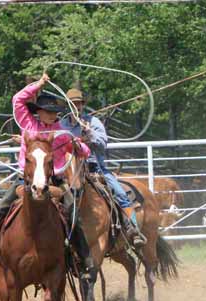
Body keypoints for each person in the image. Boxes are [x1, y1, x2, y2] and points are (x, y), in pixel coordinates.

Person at [0, 74, 96, 278]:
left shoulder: (61, 131)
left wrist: (78, 143)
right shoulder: (28, 124)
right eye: (48, 112)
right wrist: (39, 85)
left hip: (54, 180)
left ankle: (83, 259)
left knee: (72, 214)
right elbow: (17, 100)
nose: (52, 115)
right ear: (39, 112)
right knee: (0, 211)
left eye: (54, 112)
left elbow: (85, 152)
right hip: (27, 178)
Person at [60, 88, 145, 248]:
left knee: (120, 193)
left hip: (94, 168)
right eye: (73, 104)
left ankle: (132, 228)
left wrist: (89, 133)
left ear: (82, 105)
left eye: (79, 103)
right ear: (68, 106)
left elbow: (102, 144)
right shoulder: (62, 125)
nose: (76, 106)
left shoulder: (93, 122)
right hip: (67, 170)